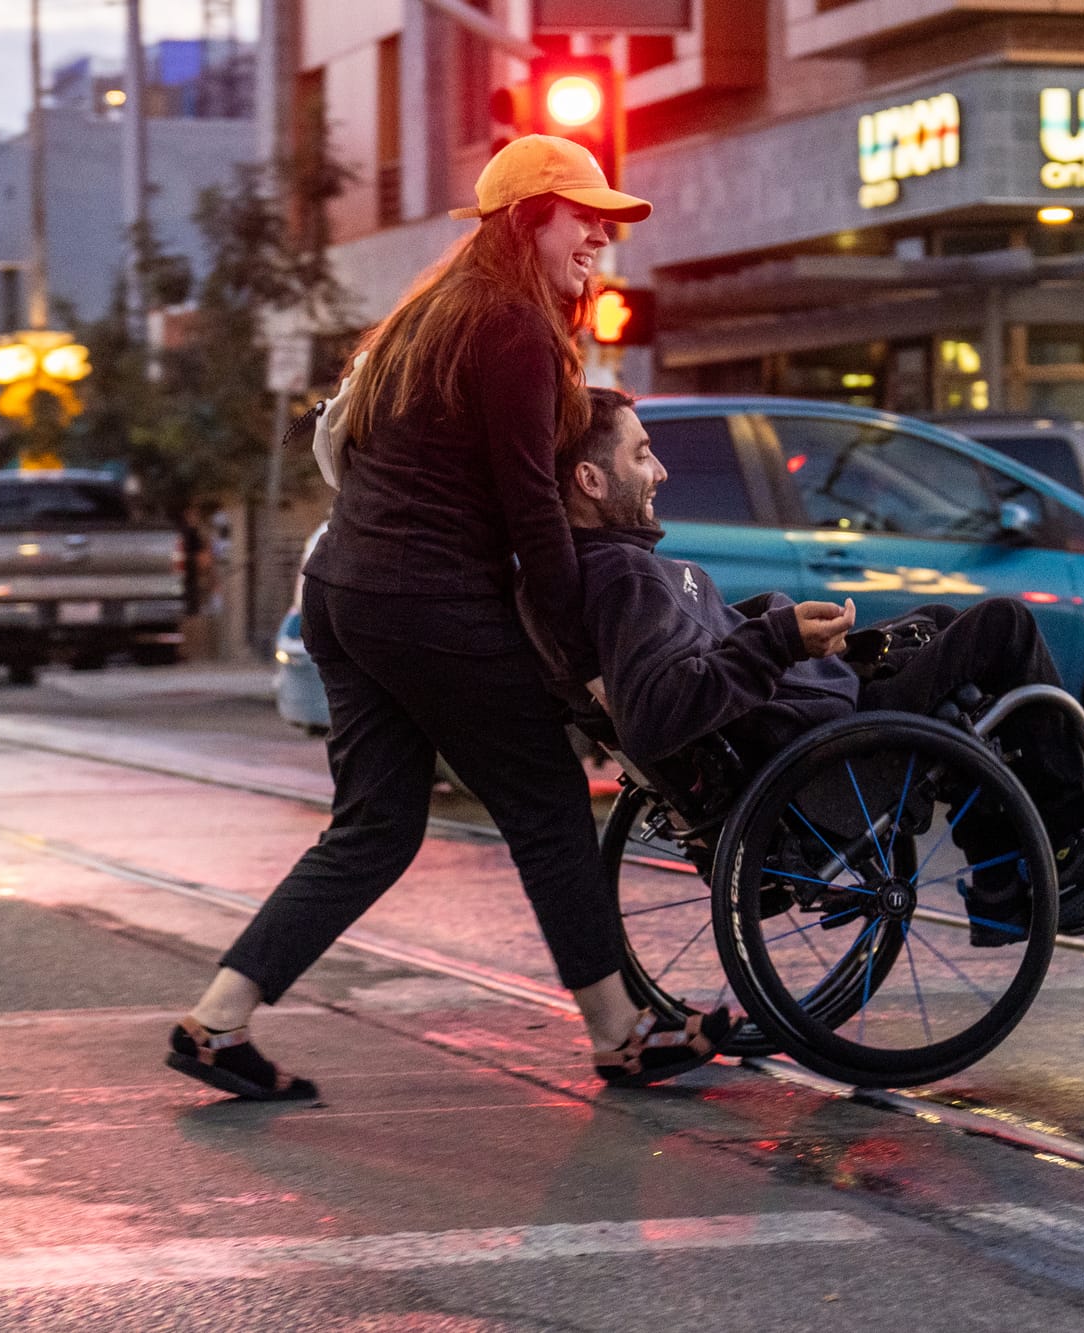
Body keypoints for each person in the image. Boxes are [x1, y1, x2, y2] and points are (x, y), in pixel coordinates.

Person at [167, 137, 728, 1103]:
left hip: (345, 591)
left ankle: (217, 1022)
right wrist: (584, 656)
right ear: (526, 220)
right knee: (548, 806)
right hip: (424, 598)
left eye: (605, 217)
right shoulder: (511, 327)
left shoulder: (430, 315)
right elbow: (531, 508)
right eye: (581, 213)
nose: (600, 229)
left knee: (377, 826)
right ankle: (620, 1034)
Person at [558, 390, 1084, 945]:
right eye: (641, 456)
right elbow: (658, 715)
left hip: (811, 717)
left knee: (939, 623)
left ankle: (998, 883)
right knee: (1003, 626)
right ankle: (1073, 841)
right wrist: (780, 639)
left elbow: (709, 652)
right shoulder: (625, 578)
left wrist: (813, 643)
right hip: (823, 752)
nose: (661, 471)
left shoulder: (618, 569)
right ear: (590, 480)